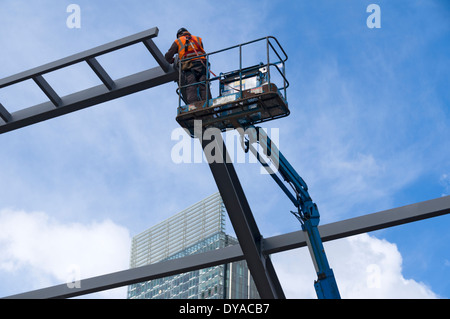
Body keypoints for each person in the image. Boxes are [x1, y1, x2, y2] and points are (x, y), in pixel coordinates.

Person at [165, 27, 211, 104]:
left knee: (191, 86)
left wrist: (172, 61)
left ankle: (193, 106)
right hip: (202, 64)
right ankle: (208, 103)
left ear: (179, 35)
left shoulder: (178, 40)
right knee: (203, 84)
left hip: (190, 65)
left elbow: (168, 56)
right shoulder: (197, 39)